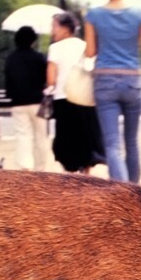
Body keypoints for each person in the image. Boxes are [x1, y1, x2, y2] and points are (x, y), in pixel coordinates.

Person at [84, 0, 141, 182]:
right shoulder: (139, 14)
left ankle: (121, 195)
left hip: (105, 81)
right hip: (133, 81)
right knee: (132, 141)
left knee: (112, 144)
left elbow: (90, 51)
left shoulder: (93, 15)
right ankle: (135, 194)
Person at [47, 12, 105, 174]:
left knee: (67, 138)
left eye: (54, 27)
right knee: (85, 136)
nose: (53, 31)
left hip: (63, 98)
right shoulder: (83, 45)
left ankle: (70, 174)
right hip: (84, 97)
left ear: (65, 29)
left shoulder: (55, 48)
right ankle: (86, 172)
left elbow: (51, 79)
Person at [4, 26, 48, 171]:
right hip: (37, 102)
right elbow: (46, 79)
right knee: (40, 136)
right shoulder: (39, 57)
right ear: (33, 41)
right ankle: (40, 168)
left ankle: (25, 167)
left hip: (17, 102)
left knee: (23, 135)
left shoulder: (10, 59)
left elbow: (8, 80)